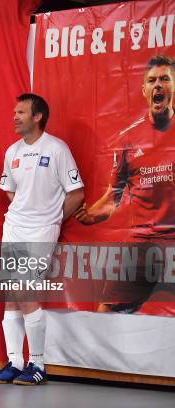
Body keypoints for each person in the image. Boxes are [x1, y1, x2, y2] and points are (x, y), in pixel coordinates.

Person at [0, 94, 84, 385]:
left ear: (38, 116)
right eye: (14, 111)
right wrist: (25, 210)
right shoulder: (12, 151)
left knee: (26, 294)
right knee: (11, 299)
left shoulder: (56, 148)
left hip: (41, 230)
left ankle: (38, 365)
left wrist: (52, 218)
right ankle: (15, 362)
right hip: (14, 227)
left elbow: (77, 193)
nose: (15, 117)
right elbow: (9, 190)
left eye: (21, 112)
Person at [75, 55, 174, 313]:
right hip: (142, 246)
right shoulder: (128, 139)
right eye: (152, 80)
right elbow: (113, 196)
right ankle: (98, 354)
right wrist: (91, 214)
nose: (158, 85)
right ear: (144, 90)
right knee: (106, 312)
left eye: (165, 79)